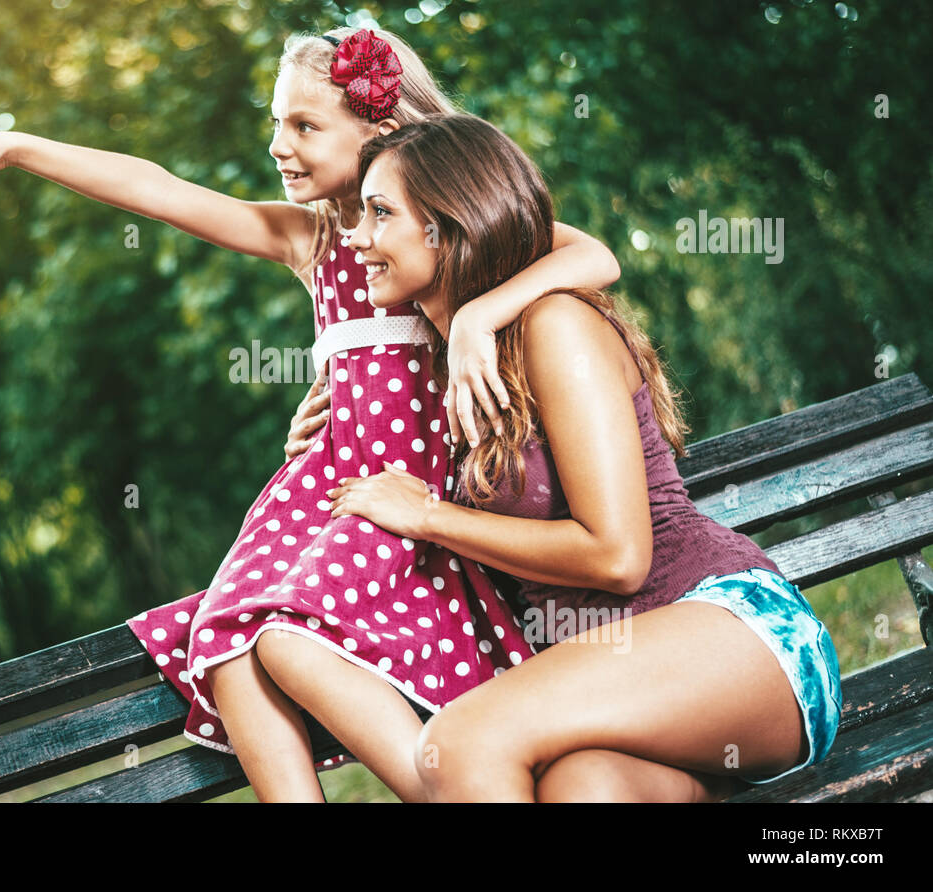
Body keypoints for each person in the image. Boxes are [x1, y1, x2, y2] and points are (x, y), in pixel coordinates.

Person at [0, 27, 622, 802]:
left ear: (381, 133)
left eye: (305, 126)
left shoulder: (444, 230)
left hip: (405, 494)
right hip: (327, 486)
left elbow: (594, 256)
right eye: (275, 122)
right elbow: (158, 188)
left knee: (282, 635)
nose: (280, 145)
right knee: (225, 642)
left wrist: (481, 319)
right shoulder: (311, 241)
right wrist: (20, 148)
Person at [323, 112, 843, 802]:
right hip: (626, 699)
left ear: (448, 226)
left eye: (379, 212)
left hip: (736, 636)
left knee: (460, 743)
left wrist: (429, 517)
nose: (356, 237)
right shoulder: (453, 366)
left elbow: (618, 556)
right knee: (583, 789)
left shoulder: (554, 326)